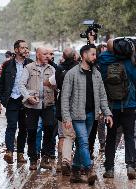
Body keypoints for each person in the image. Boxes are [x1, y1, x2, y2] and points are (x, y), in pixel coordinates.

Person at [61, 44, 113, 185]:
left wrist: (107, 113)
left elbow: (102, 96)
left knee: (82, 144)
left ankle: (76, 171)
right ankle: (89, 169)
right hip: (76, 116)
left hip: (91, 115)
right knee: (84, 142)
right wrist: (66, 117)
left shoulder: (96, 74)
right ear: (84, 55)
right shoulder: (71, 73)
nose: (95, 57)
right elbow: (65, 98)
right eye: (93, 54)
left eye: (95, 55)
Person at [99, 39, 136, 180]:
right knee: (129, 136)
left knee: (111, 137)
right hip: (129, 105)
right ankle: (130, 166)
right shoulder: (129, 62)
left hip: (111, 107)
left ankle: (109, 169)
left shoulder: (103, 60)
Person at [19, 47, 56, 171]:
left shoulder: (52, 69)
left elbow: (57, 86)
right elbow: (21, 85)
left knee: (49, 129)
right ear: (38, 55)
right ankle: (33, 159)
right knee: (32, 131)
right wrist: (28, 96)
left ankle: (45, 157)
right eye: (45, 54)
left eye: (49, 54)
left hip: (48, 104)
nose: (47, 56)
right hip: (32, 105)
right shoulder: (28, 68)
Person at [0, 40, 32, 164]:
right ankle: (9, 152)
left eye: (26, 48)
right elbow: (1, 84)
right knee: (11, 126)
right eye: (23, 48)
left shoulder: (31, 64)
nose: (25, 50)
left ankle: (21, 153)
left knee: (24, 128)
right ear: (16, 50)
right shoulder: (7, 65)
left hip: (26, 100)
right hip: (12, 99)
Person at [52, 47, 78, 175]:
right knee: (76, 136)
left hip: (62, 104)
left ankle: (60, 162)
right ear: (75, 57)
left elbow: (56, 84)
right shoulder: (78, 68)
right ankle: (74, 161)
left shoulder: (59, 68)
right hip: (77, 105)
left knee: (63, 136)